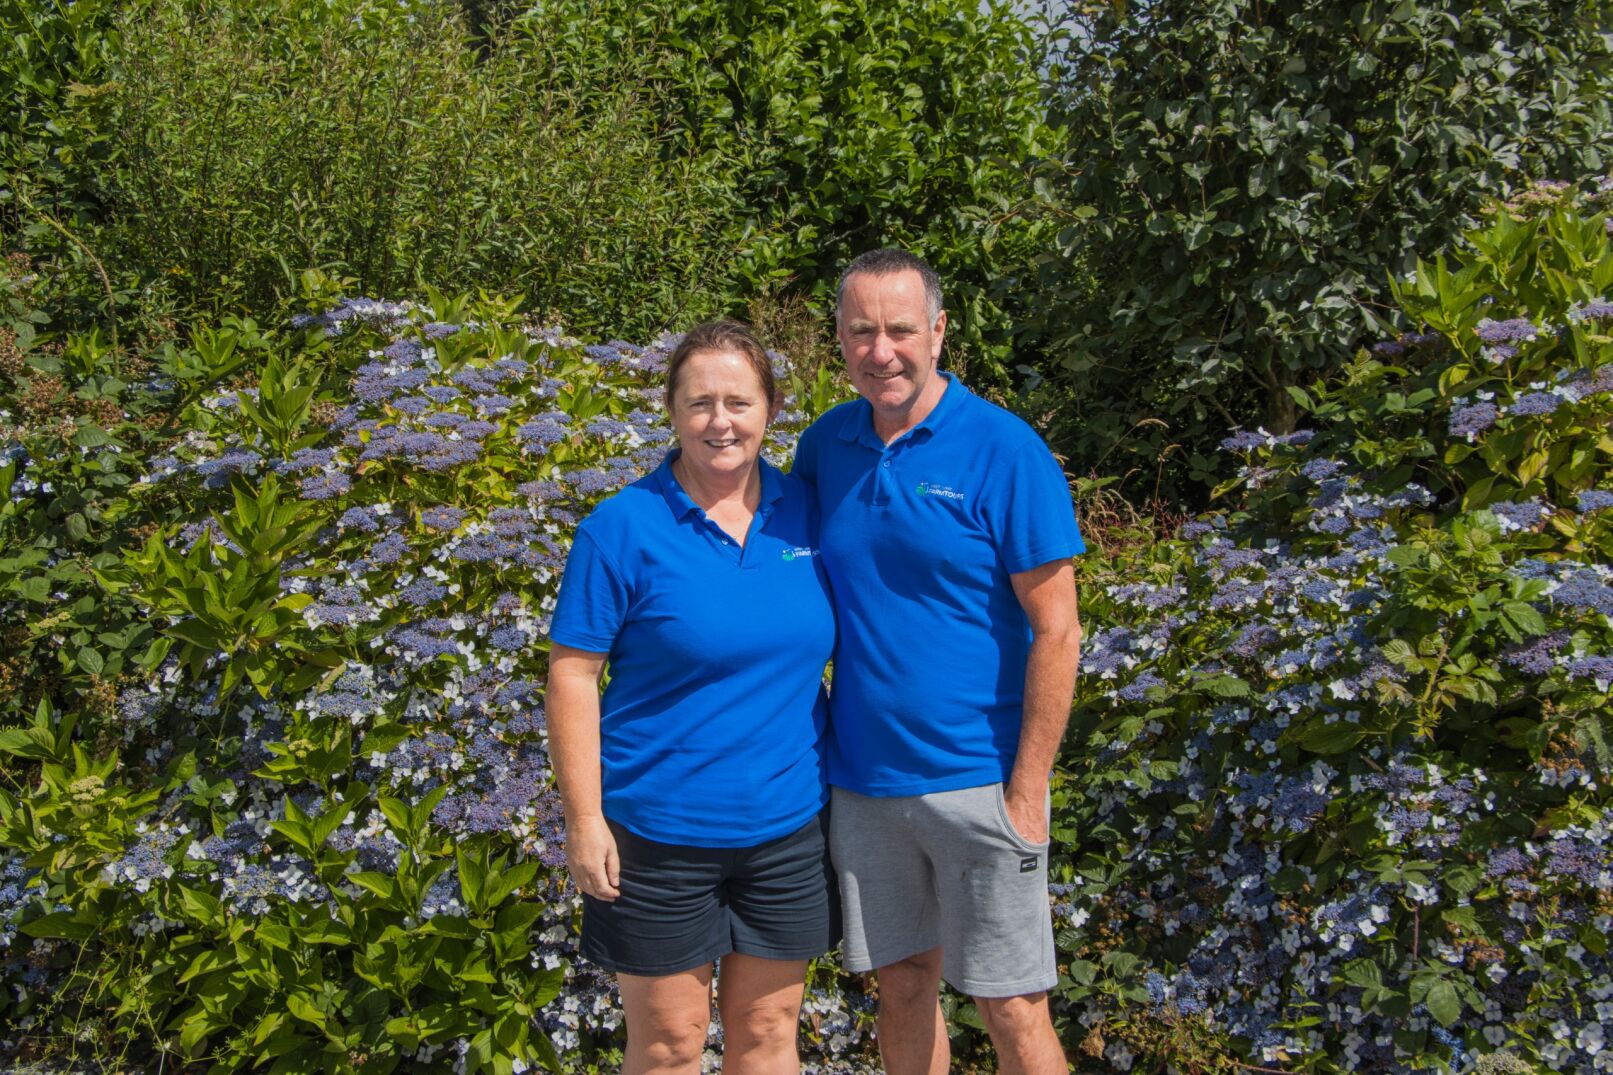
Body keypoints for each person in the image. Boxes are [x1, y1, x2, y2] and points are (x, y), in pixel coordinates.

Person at [792, 249, 1085, 1075]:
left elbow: (1057, 629)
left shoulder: (1003, 449)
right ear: (839, 340)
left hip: (980, 781)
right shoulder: (826, 446)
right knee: (904, 987)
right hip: (864, 786)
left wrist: (1027, 791)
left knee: (1013, 1005)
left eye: (899, 329)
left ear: (938, 332)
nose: (880, 350)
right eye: (860, 331)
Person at [546, 320, 838, 1075]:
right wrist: (584, 819)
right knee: (670, 1044)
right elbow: (573, 673)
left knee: (770, 1032)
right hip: (658, 834)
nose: (720, 421)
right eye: (699, 402)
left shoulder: (809, 512)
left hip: (786, 831)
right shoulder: (620, 528)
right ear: (670, 411)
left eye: (738, 401)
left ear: (770, 409)